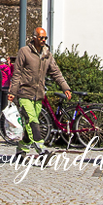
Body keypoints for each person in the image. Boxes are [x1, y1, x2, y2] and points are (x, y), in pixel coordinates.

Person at [7, 27, 71, 159]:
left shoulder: (47, 54)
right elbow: (17, 73)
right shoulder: (24, 52)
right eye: (41, 37)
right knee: (32, 121)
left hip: (38, 95)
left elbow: (56, 72)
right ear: (34, 38)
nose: (43, 40)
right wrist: (13, 91)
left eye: (45, 38)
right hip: (25, 93)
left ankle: (21, 150)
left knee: (30, 126)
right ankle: (42, 150)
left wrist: (65, 87)